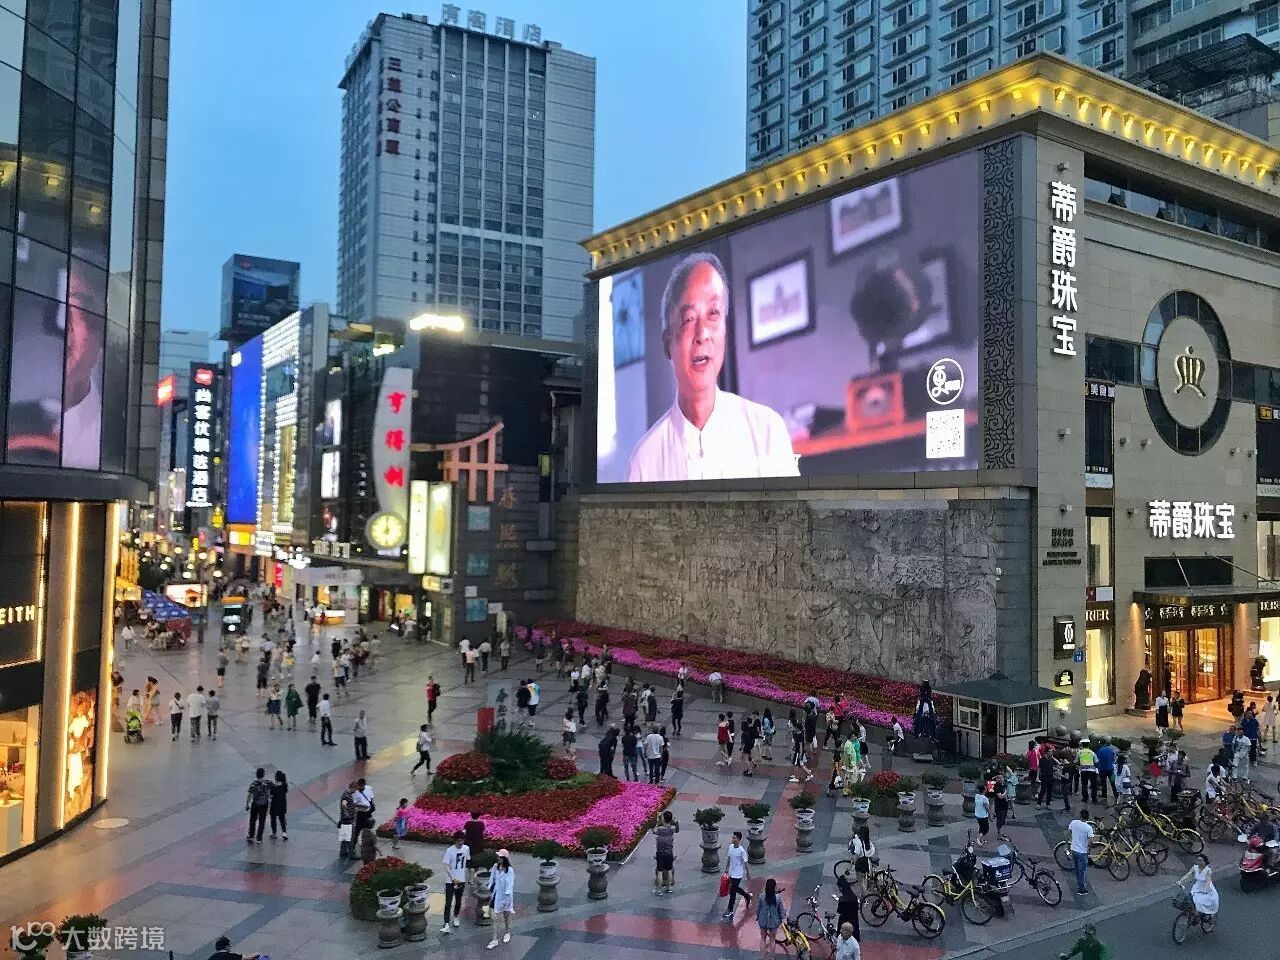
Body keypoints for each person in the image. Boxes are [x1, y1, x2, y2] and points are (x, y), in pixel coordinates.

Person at [625, 252, 798, 482]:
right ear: (667, 343)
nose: (702, 334)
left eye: (713, 313)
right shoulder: (645, 461)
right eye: (688, 319)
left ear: (725, 329)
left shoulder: (767, 432)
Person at [486, 849, 516, 949]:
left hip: (505, 897)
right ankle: (494, 939)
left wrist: (506, 900)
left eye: (500, 857)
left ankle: (507, 932)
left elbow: (509, 885)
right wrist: (489, 888)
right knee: (494, 917)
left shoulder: (509, 871)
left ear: (504, 859)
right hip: (495, 895)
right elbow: (492, 879)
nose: (498, 858)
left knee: (506, 915)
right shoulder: (495, 867)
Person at [441, 831, 470, 932]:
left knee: (458, 900)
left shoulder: (466, 849)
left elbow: (468, 861)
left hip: (461, 879)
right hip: (450, 880)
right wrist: (452, 876)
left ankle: (456, 916)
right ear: (455, 840)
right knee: (448, 902)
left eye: (462, 840)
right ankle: (446, 922)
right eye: (458, 841)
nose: (460, 843)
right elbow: (446, 864)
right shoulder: (449, 851)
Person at [723, 831, 753, 920]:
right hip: (731, 873)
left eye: (734, 838)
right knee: (735, 889)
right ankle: (746, 896)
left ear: (739, 839)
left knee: (732, 891)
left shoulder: (741, 851)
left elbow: (745, 862)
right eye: (732, 837)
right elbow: (729, 857)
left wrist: (748, 873)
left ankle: (730, 909)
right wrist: (727, 867)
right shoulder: (731, 847)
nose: (733, 839)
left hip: (738, 874)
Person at [1179, 853, 1219, 921]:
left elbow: (1208, 881)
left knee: (1200, 901)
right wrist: (1181, 881)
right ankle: (1195, 913)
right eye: (1198, 860)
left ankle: (1202, 915)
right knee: (1191, 900)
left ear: (1205, 861)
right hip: (1197, 887)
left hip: (1206, 888)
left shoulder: (1208, 871)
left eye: (1201, 861)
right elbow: (1188, 875)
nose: (1199, 862)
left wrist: (1204, 890)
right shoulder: (1195, 868)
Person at [756, 878, 785, 958]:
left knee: (763, 938)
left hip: (763, 920)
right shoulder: (778, 898)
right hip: (774, 921)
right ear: (774, 887)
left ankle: (762, 956)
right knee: (772, 940)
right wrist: (782, 919)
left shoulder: (762, 896)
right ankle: (772, 957)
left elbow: (758, 908)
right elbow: (781, 910)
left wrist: (758, 916)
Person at [1068, 808, 1094, 896]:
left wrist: (1067, 844)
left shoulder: (1073, 823)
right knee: (1082, 870)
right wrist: (1090, 848)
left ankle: (1079, 882)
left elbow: (1068, 833)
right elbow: (1090, 841)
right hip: (1082, 852)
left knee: (1077, 868)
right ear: (1088, 817)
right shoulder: (1088, 828)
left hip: (1073, 849)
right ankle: (1081, 889)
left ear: (1080, 815)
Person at [653, 810, 679, 896]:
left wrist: (657, 822)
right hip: (669, 853)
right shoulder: (672, 829)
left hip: (660, 853)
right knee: (669, 870)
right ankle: (669, 888)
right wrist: (675, 822)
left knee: (660, 871)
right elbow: (677, 829)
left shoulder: (660, 829)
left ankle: (659, 891)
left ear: (663, 819)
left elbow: (654, 831)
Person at [245, 767, 271, 843]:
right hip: (264, 805)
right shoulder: (267, 783)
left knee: (252, 820)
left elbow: (249, 795)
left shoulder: (253, 784)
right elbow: (270, 793)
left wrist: (247, 804)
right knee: (262, 821)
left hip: (255, 804)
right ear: (263, 775)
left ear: (256, 775)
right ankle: (259, 838)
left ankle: (251, 836)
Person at [848, 824, 875, 893]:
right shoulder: (868, 841)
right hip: (867, 861)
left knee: (861, 881)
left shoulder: (858, 842)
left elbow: (857, 853)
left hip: (861, 863)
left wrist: (853, 863)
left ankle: (864, 896)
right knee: (866, 877)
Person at [269, 770, 289, 840]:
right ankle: (284, 833)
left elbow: (271, 795)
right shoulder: (284, 786)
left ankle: (274, 833)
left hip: (274, 805)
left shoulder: (274, 787)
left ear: (276, 778)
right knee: (282, 819)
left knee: (273, 819)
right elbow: (286, 791)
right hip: (282, 804)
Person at [974, 782, 992, 846]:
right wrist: (990, 816)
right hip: (983, 815)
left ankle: (981, 839)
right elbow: (987, 808)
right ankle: (978, 839)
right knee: (985, 829)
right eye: (985, 788)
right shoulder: (984, 798)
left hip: (978, 814)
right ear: (984, 790)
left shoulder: (977, 796)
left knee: (981, 827)